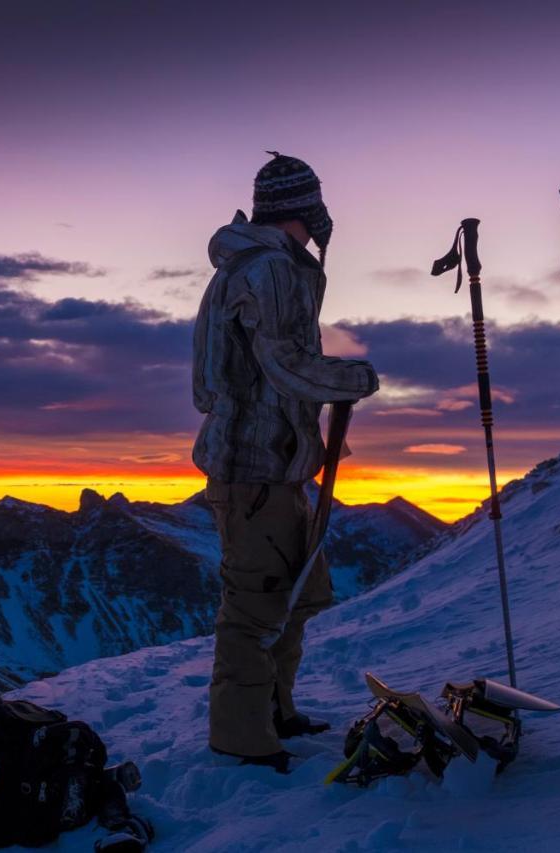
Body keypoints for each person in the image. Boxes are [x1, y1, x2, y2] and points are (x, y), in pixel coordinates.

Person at [192, 152, 380, 773]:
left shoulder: (257, 266)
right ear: (305, 207)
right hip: (256, 469)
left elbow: (228, 379)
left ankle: (275, 712)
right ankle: (242, 738)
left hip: (274, 464)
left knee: (291, 599)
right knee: (255, 605)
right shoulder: (270, 268)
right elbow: (283, 362)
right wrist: (349, 377)